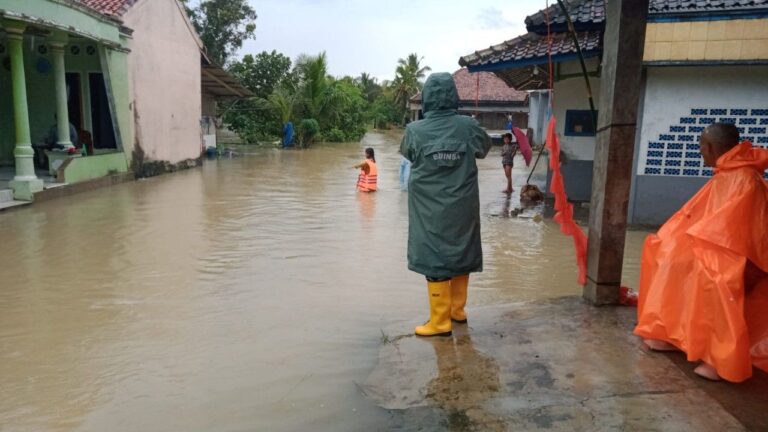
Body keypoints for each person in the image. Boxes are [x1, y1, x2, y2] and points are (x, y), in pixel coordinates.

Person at [634, 123, 768, 382]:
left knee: (714, 278)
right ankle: (670, 334)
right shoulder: (726, 175)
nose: (699, 151)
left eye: (700, 146)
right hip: (717, 250)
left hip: (742, 258)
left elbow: (744, 236)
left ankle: (720, 360)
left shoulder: (745, 179)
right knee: (667, 256)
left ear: (710, 147)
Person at [400, 72, 492, 337]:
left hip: (429, 212)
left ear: (427, 98)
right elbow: (485, 149)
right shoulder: (469, 126)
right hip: (463, 209)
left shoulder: (414, 131)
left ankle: (440, 322)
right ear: (454, 96)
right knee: (462, 253)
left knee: (435, 259)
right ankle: (457, 311)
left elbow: (408, 154)